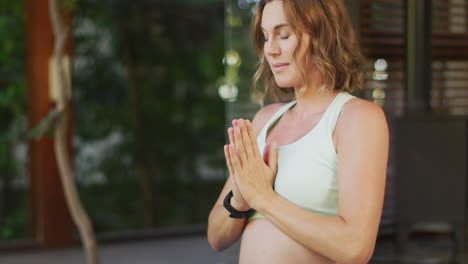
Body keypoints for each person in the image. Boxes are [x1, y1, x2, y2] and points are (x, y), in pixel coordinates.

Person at [207, 0, 389, 263]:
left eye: (284, 35)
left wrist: (263, 198)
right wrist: (240, 200)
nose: (270, 49)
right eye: (266, 37)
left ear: (321, 34)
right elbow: (216, 237)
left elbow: (355, 247)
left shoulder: (356, 118)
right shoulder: (265, 120)